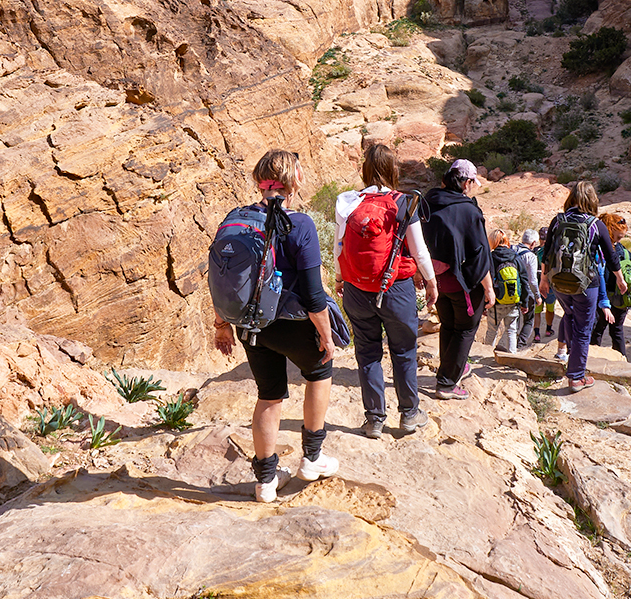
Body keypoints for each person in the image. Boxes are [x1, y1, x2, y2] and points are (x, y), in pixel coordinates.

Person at [212, 149, 338, 502]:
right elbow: (314, 297)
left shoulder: (237, 220)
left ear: (259, 182)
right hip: (294, 325)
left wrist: (221, 324)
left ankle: (266, 482)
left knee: (268, 395)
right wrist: (327, 338)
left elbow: (223, 279)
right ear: (294, 180)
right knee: (319, 374)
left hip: (251, 325)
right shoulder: (300, 225)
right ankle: (312, 459)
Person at [335, 142, 439, 438]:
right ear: (393, 169)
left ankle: (374, 420)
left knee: (367, 353)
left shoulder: (348, 202)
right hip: (396, 288)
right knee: (404, 350)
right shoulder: (403, 202)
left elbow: (338, 245)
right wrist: (431, 281)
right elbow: (419, 251)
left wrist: (342, 278)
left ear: (366, 171)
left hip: (357, 289)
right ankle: (409, 414)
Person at [539, 181, 625, 392]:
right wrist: (620, 279)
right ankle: (576, 377)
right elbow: (611, 256)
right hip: (587, 284)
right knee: (583, 330)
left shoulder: (558, 221)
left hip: (559, 282)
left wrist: (543, 279)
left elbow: (547, 250)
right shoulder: (596, 225)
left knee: (568, 316)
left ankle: (571, 361)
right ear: (592, 200)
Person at [422, 159, 494, 399]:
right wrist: (489, 289)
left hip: (437, 281)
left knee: (449, 326)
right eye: (473, 183)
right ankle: (447, 383)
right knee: (465, 328)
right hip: (463, 282)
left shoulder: (429, 202)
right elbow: (479, 253)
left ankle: (454, 367)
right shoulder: (468, 210)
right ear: (467, 182)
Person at [592, 212, 631, 357]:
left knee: (597, 329)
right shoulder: (623, 250)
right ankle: (622, 361)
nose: (620, 240)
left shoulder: (601, 249)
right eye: (619, 237)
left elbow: (601, 275)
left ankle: (592, 360)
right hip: (621, 297)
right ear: (610, 230)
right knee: (617, 331)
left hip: (606, 296)